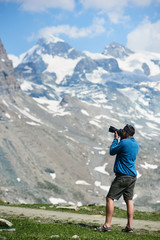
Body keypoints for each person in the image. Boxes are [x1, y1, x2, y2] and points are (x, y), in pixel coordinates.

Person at [95, 124, 139, 233]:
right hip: (132, 176)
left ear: (127, 133)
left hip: (122, 176)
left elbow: (112, 151)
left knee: (110, 198)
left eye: (123, 131)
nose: (121, 131)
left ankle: (107, 225)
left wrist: (116, 139)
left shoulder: (124, 142)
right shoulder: (136, 144)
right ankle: (129, 227)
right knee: (129, 200)